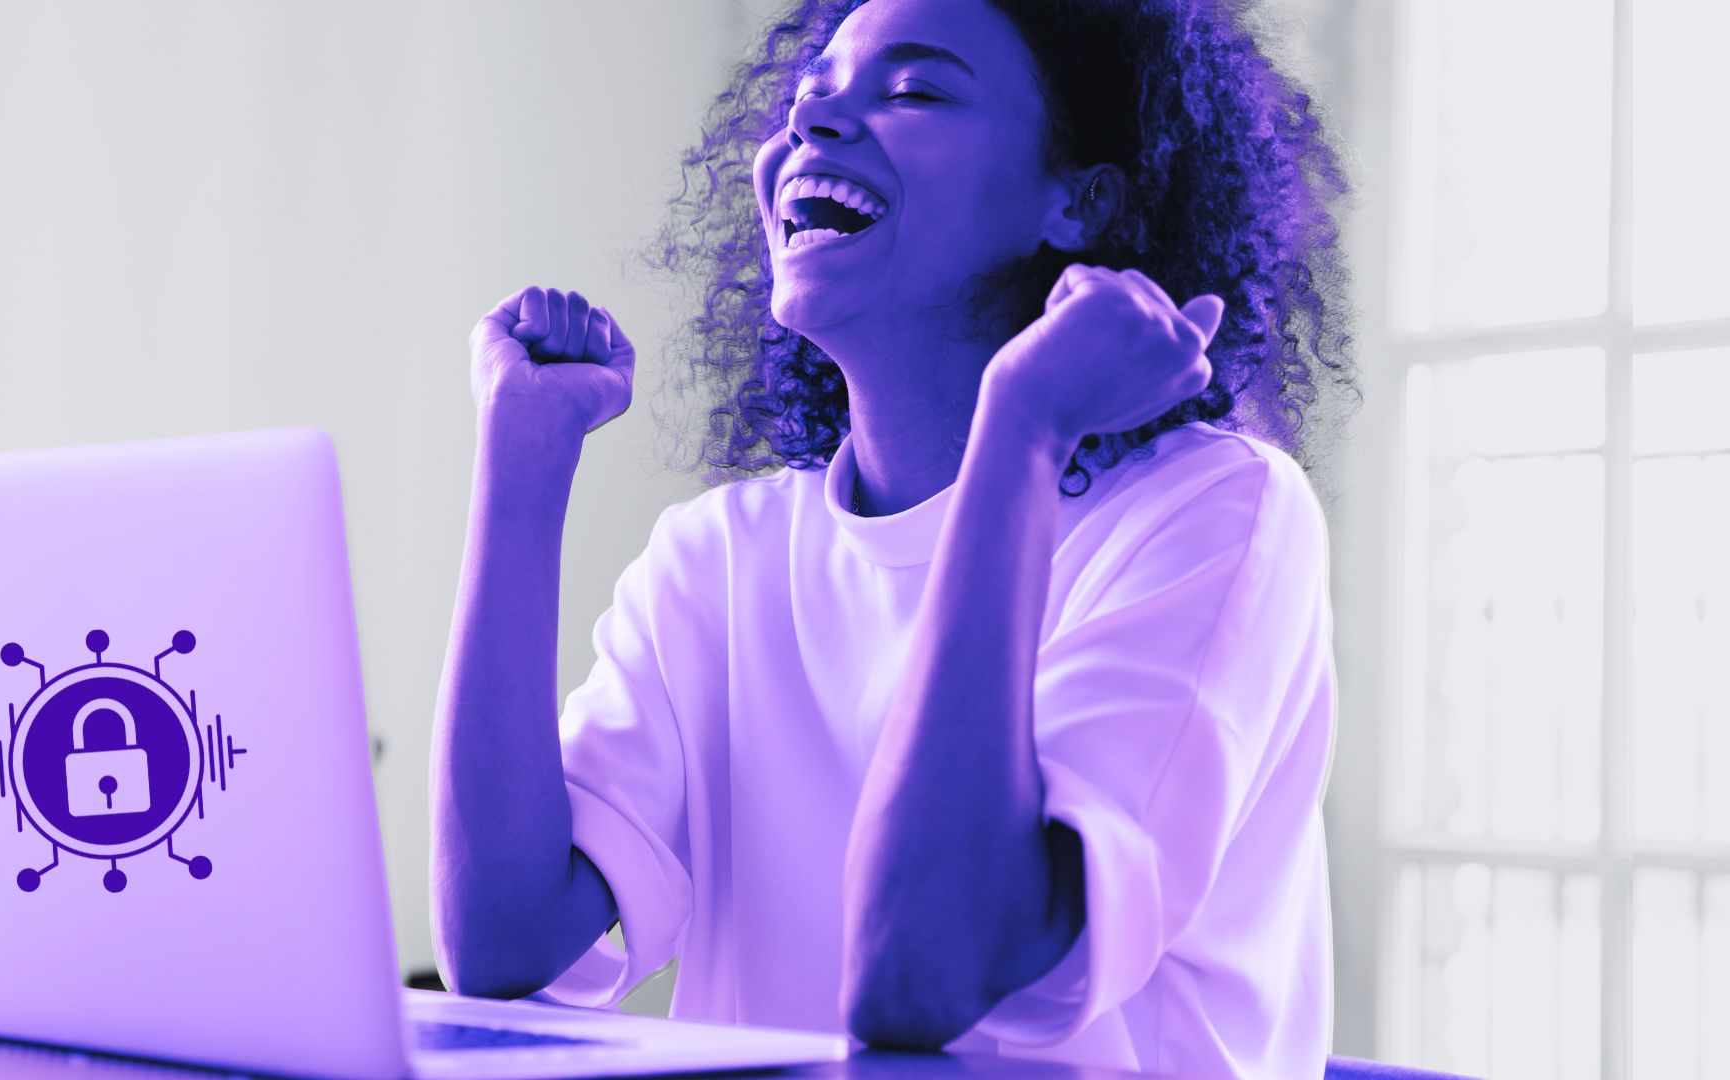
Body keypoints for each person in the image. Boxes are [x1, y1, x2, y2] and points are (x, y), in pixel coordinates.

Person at [431, 0, 1353, 1074]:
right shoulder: (719, 555)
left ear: (1079, 199)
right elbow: (502, 949)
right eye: (809, 96)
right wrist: (523, 467)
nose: (816, 127)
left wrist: (1022, 424)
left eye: (914, 90)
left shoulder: (1218, 513)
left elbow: (920, 976)